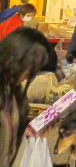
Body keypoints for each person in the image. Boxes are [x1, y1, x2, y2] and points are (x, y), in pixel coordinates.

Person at [0, 28, 58, 166]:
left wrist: (33, 127)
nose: (29, 77)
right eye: (32, 69)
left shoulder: (13, 88)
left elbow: (13, 127)